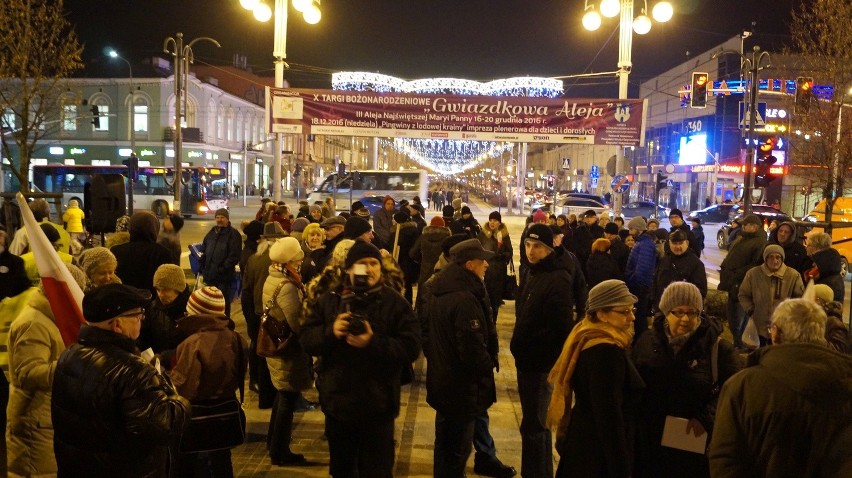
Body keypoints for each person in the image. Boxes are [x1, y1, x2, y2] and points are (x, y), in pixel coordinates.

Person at [300, 241, 421, 477]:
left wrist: (373, 342)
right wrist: (332, 332)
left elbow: (412, 347)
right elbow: (306, 339)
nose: (370, 269)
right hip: (339, 405)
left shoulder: (395, 302)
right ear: (348, 269)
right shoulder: (329, 300)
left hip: (379, 406)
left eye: (374, 263)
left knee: (377, 470)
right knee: (343, 469)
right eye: (362, 264)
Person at [51, 283, 190, 477]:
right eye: (138, 315)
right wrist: (175, 395)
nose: (142, 319)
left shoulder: (68, 355)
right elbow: (163, 426)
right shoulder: (134, 371)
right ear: (117, 324)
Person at [709, 299, 852, 477]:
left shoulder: (743, 386)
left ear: (775, 334)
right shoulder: (845, 385)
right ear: (820, 335)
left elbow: (725, 459)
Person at [632, 282, 741, 478]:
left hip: (692, 441)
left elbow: (733, 391)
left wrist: (706, 419)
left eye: (692, 313)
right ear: (666, 312)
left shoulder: (718, 349)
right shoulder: (648, 340)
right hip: (650, 440)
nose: (685, 319)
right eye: (678, 312)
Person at [427, 239, 512, 478]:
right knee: (456, 450)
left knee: (446, 446)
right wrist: (488, 364)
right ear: (468, 264)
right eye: (481, 260)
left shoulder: (443, 288)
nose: (486, 264)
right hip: (461, 388)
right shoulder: (464, 298)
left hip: (445, 381)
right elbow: (471, 350)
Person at [547, 280, 644, 478]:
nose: (632, 317)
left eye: (632, 310)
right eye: (624, 312)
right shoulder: (606, 351)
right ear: (601, 313)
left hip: (583, 442)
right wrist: (622, 469)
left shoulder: (586, 335)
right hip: (597, 456)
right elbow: (609, 416)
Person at [6, 263, 86, 477]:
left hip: (48, 420)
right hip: (34, 424)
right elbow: (28, 374)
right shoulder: (34, 323)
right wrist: (72, 364)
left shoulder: (53, 319)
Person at [512, 225, 575, 478]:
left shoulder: (557, 278)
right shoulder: (532, 272)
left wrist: (539, 351)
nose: (531, 251)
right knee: (532, 426)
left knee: (535, 427)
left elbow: (561, 328)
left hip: (539, 366)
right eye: (528, 245)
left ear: (549, 249)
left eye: (537, 246)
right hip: (527, 362)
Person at [171, 286, 247, 477]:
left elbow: (186, 386)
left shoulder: (193, 343)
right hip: (225, 409)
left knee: (192, 461)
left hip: (199, 415)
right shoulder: (235, 337)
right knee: (222, 459)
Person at [262, 237, 315, 466]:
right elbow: (297, 322)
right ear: (291, 260)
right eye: (298, 259)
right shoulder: (287, 286)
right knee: (287, 398)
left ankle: (273, 442)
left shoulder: (273, 275)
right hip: (287, 350)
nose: (301, 262)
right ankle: (280, 451)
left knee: (281, 395)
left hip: (276, 347)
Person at [242, 222, 287, 407]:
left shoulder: (254, 258)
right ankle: (271, 393)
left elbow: (246, 289)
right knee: (273, 353)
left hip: (255, 309)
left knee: (257, 347)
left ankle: (256, 383)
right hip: (274, 312)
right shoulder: (280, 260)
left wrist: (250, 313)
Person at [738, 244, 804, 347]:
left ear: (782, 259)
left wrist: (791, 315)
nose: (775, 260)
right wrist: (750, 309)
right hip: (759, 325)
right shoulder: (753, 274)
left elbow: (800, 299)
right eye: (771, 257)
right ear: (765, 259)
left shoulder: (793, 275)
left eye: (778, 257)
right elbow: (743, 294)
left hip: (783, 327)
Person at [718, 213, 767, 349]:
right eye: (744, 224)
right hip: (732, 281)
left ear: (756, 226)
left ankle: (740, 343)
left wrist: (737, 274)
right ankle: (738, 342)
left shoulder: (759, 242)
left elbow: (755, 264)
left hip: (740, 283)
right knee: (733, 313)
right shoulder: (741, 238)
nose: (745, 227)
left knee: (737, 315)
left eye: (749, 225)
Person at [111, 211, 174, 296]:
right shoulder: (163, 253)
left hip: (123, 302)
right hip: (152, 303)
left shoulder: (116, 251)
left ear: (131, 228)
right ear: (154, 228)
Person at [139, 263, 191, 359]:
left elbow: (191, 346)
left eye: (166, 290)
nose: (160, 295)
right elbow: (144, 335)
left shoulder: (191, 311)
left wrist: (165, 357)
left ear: (178, 289)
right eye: (158, 290)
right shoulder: (153, 307)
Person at [198, 208, 242, 317]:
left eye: (222, 217)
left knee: (222, 302)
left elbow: (234, 255)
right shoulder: (212, 232)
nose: (219, 220)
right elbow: (204, 248)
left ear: (227, 219)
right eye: (217, 217)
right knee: (210, 301)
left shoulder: (233, 234)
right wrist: (202, 262)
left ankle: (224, 323)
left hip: (223, 277)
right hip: (209, 274)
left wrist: (223, 268)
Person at [652, 230, 707, 311]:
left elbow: (701, 291)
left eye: (680, 243)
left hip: (681, 311)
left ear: (687, 243)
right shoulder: (664, 260)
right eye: (674, 243)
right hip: (662, 308)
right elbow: (655, 282)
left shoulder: (695, 263)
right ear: (669, 243)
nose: (677, 247)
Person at [625, 217, 657, 340]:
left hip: (640, 288)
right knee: (638, 317)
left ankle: (641, 342)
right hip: (639, 286)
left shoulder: (646, 245)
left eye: (632, 229)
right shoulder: (642, 242)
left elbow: (643, 269)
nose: (630, 232)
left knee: (640, 318)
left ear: (639, 229)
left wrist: (633, 281)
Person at [478, 211, 513, 321]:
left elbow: (509, 251)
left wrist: (501, 256)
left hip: (498, 273)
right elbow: (477, 249)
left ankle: (493, 324)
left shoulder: (503, 235)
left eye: (495, 220)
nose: (492, 223)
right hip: (484, 271)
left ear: (499, 222)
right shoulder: (483, 234)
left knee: (495, 303)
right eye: (491, 220)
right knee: (483, 301)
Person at [411, 215, 451, 289]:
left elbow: (413, 253)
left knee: (423, 295)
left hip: (425, 271)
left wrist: (421, 260)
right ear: (443, 226)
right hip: (441, 272)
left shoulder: (423, 237)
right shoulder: (447, 239)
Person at [804, 232, 845, 302]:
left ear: (816, 247)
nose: (806, 247)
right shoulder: (829, 265)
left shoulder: (823, 270)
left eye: (808, 245)